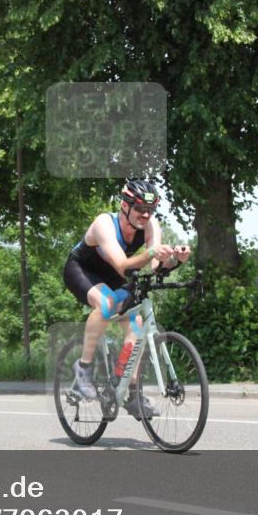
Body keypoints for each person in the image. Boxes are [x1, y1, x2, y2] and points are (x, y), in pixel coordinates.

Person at [62, 178, 191, 420]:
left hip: (115, 274)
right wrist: (152, 251)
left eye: (150, 210)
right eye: (140, 208)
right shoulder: (104, 224)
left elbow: (154, 266)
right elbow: (123, 264)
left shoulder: (151, 225)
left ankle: (131, 392)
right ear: (125, 205)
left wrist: (173, 260)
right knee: (108, 304)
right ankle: (84, 368)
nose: (145, 215)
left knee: (137, 327)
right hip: (83, 270)